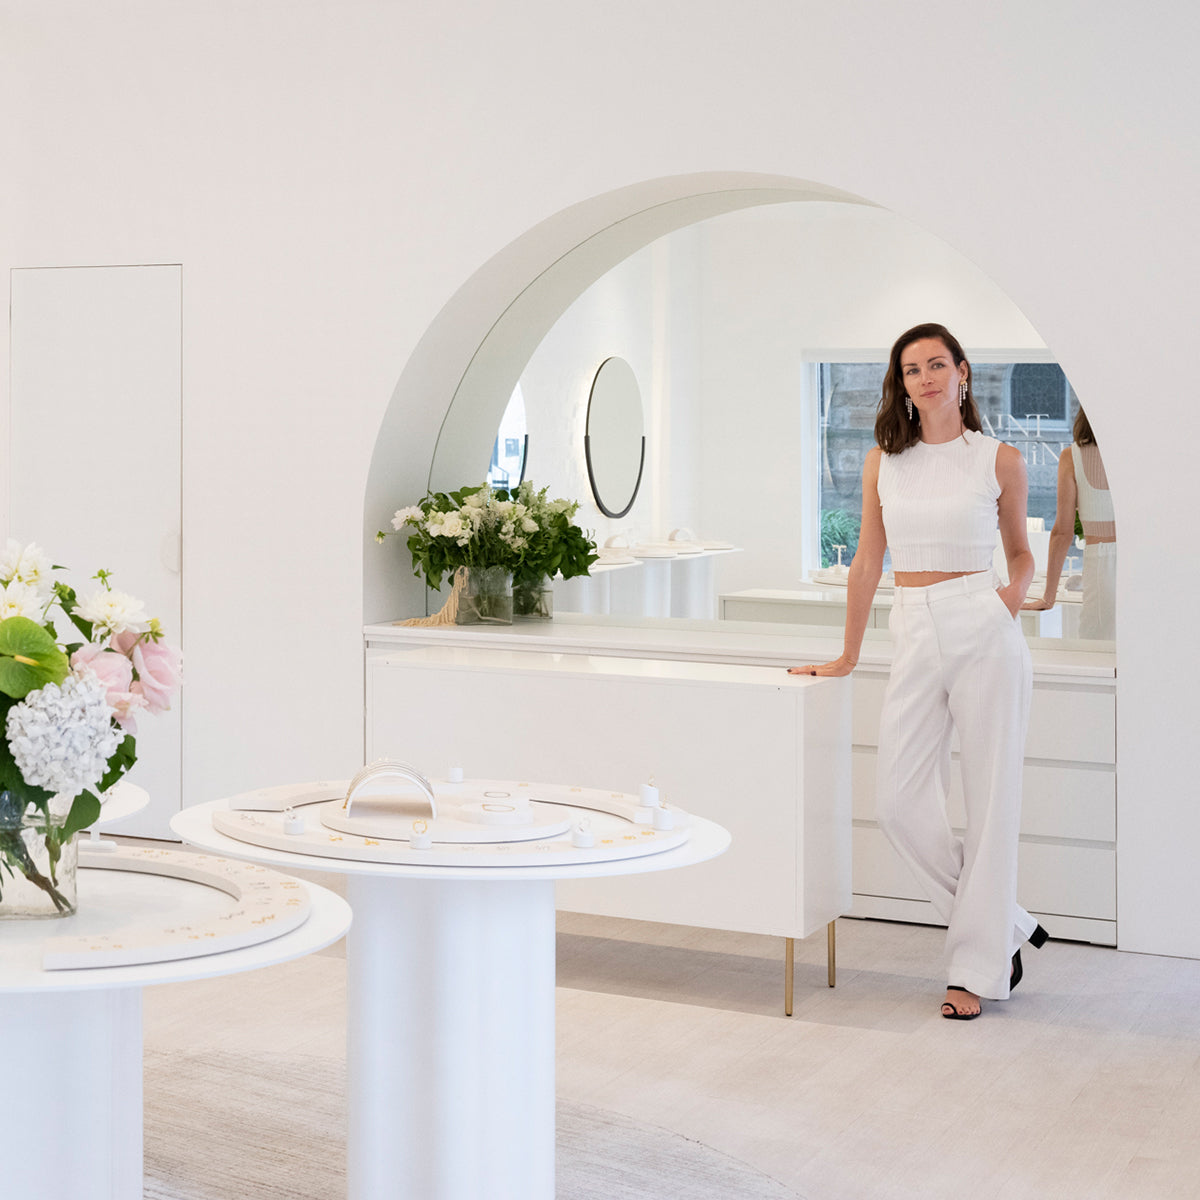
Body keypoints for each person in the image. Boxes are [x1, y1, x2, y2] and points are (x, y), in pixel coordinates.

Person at [790, 322, 1048, 1020]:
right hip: (912, 624)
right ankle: (1005, 928)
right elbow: (867, 563)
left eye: (937, 364)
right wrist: (847, 655)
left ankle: (977, 969)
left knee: (990, 802)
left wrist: (1006, 603)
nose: (926, 378)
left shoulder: (998, 459)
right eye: (912, 369)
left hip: (981, 619)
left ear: (962, 373)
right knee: (898, 805)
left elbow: (1021, 554)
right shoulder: (884, 462)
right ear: (900, 384)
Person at [1022, 407, 1115, 639]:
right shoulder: (1140, 456)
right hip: (1140, 565)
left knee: (1097, 649)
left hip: (1101, 568)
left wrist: (1048, 597)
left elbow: (1062, 532)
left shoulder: (1072, 457)